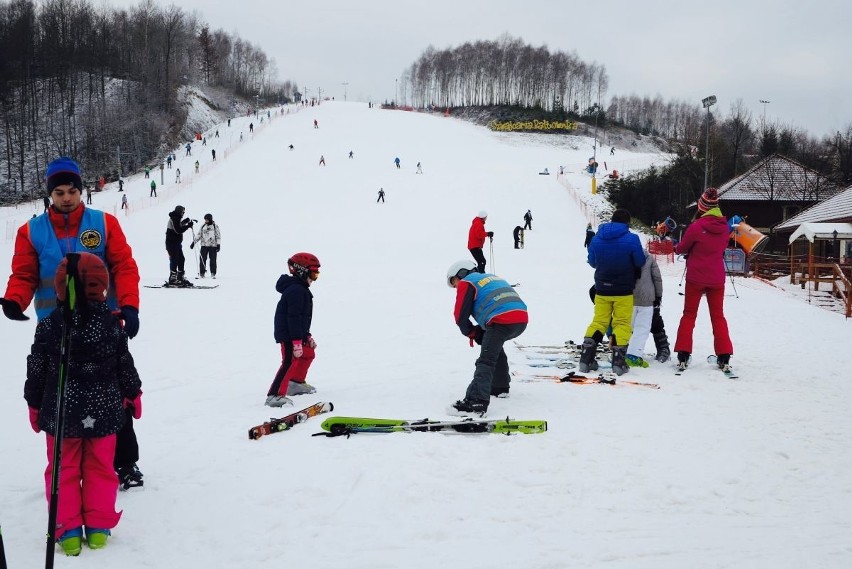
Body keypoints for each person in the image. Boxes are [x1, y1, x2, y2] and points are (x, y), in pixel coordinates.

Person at [2, 157, 143, 491]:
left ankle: (124, 463)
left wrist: (129, 306)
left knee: (114, 394)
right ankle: (69, 467)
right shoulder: (31, 231)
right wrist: (14, 299)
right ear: (50, 194)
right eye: (60, 192)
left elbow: (123, 266)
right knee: (62, 397)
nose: (66, 198)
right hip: (55, 329)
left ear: (82, 191)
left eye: (73, 191)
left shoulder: (103, 224)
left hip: (101, 325)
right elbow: (24, 273)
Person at [24, 252, 142, 555]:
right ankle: (99, 528)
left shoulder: (50, 326)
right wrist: (133, 392)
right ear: (102, 287)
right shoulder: (111, 323)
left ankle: (68, 530)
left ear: (61, 288)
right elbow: (123, 363)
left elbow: (37, 367)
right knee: (101, 468)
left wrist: (34, 403)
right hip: (103, 415)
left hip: (61, 414)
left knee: (63, 470)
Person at [446, 260, 528, 416]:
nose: (455, 286)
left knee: (486, 360)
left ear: (461, 273)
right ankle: (499, 387)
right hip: (521, 320)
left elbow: (460, 317)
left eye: (454, 282)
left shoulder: (467, 282)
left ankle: (476, 402)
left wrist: (472, 333)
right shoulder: (493, 278)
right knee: (493, 348)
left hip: (501, 320)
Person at [673, 187, 733, 371]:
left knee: (689, 314)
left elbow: (682, 248)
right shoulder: (725, 228)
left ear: (702, 207)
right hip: (716, 278)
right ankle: (724, 355)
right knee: (718, 316)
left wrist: (677, 248)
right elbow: (721, 247)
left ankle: (683, 353)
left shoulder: (696, 226)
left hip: (696, 277)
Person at [579, 209, 645, 376]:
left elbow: (593, 262)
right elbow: (640, 261)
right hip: (623, 290)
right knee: (622, 323)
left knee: (599, 321)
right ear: (627, 223)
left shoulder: (597, 238)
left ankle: (586, 359)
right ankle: (618, 361)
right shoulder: (632, 239)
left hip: (602, 288)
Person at [266, 253, 321, 407]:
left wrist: (306, 335)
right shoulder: (296, 290)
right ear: (302, 271)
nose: (314, 278)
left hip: (297, 333)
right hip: (289, 334)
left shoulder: (300, 289)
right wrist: (296, 341)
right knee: (289, 361)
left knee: (308, 353)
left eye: (317, 274)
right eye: (313, 274)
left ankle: (295, 383)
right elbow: (293, 317)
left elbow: (301, 317)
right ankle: (274, 396)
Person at [625, 247, 669, 367]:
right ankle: (632, 351)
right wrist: (658, 295)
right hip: (645, 298)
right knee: (647, 323)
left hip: (630, 297)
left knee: (632, 325)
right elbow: (657, 278)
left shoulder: (625, 257)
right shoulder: (648, 257)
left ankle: (662, 348)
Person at [164, 205, 195, 287]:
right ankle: (173, 279)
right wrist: (188, 226)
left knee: (181, 259)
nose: (183, 213)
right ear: (179, 211)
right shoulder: (174, 218)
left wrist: (186, 221)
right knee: (174, 259)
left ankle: (180, 277)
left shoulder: (176, 218)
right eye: (183, 212)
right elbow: (178, 230)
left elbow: (179, 225)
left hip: (176, 243)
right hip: (171, 243)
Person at [190, 213, 221, 278]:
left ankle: (213, 273)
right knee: (202, 259)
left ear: (210, 219)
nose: (205, 221)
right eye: (205, 220)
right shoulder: (203, 226)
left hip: (213, 246)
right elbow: (199, 235)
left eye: (207, 220)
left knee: (213, 260)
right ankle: (202, 273)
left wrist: (218, 245)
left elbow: (218, 236)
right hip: (204, 245)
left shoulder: (215, 226)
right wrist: (194, 242)